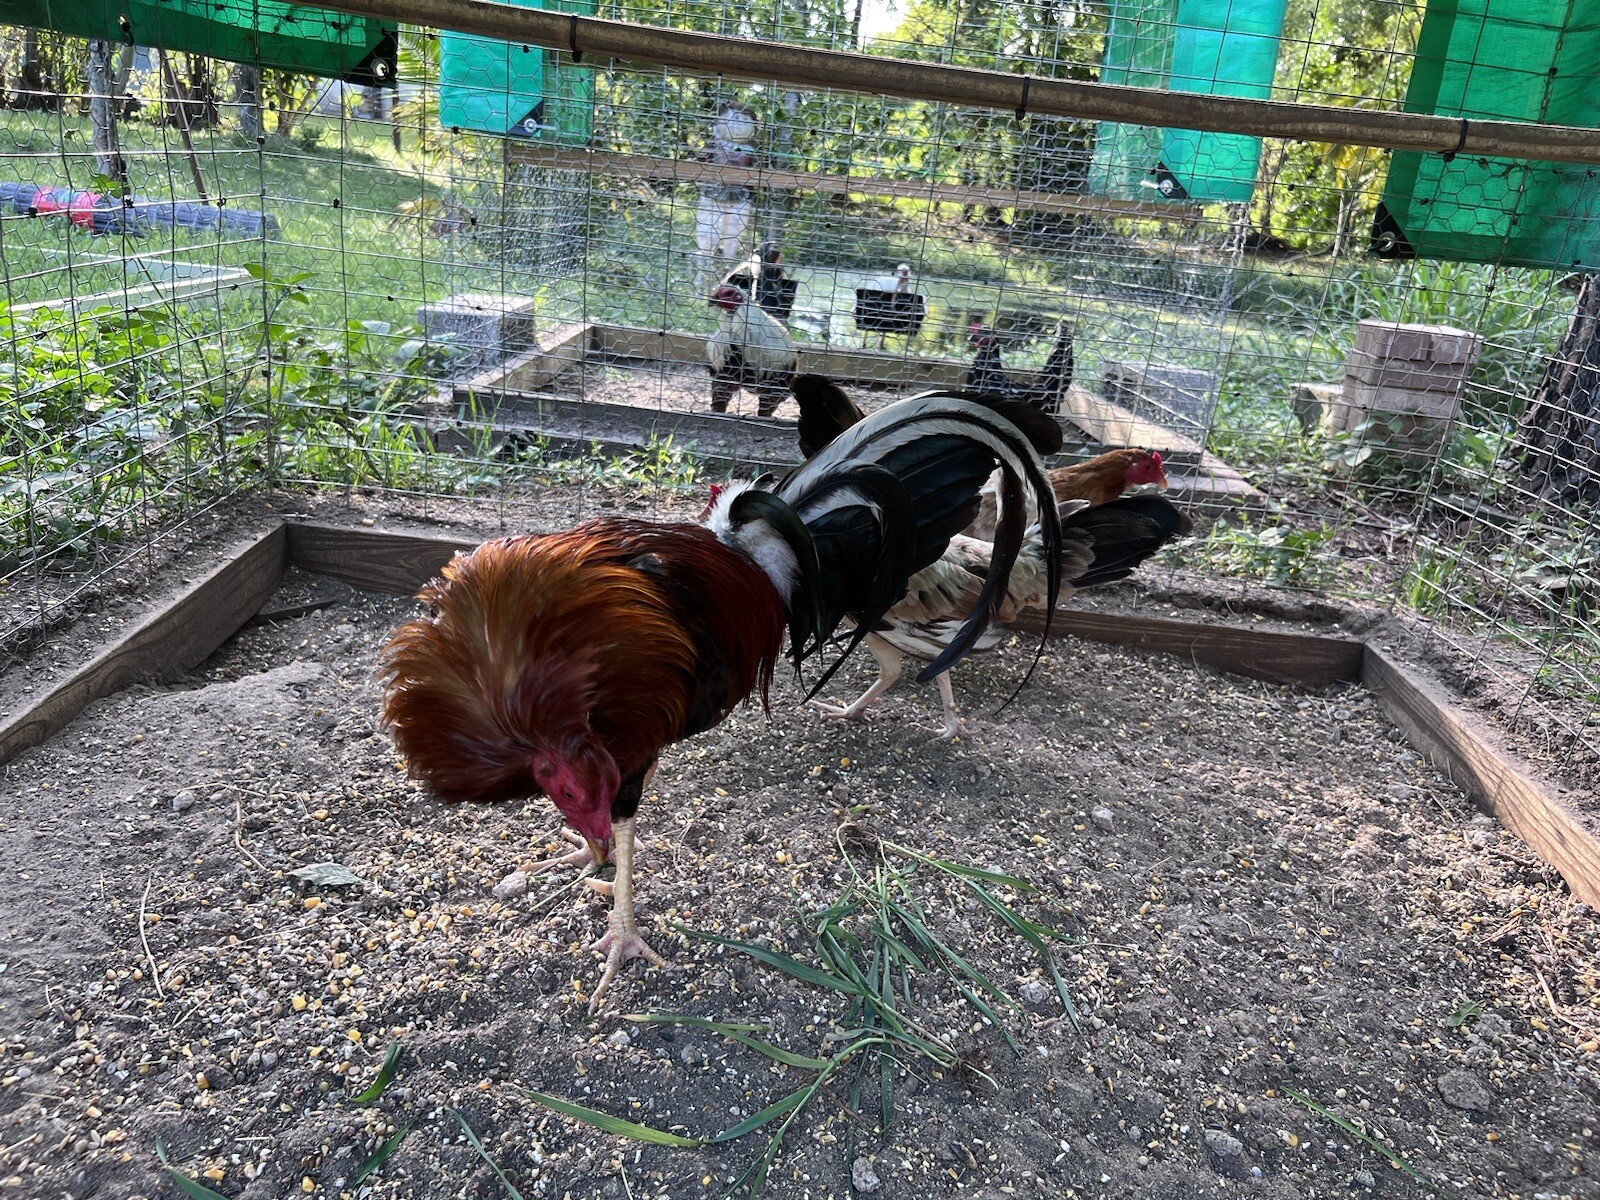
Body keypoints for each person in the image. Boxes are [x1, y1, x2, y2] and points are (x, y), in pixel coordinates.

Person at [693, 103, 757, 292]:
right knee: (707, 230)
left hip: (739, 196)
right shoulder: (715, 144)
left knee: (734, 232)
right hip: (713, 194)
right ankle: (704, 269)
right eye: (735, 119)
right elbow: (703, 160)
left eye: (745, 120)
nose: (740, 124)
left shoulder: (750, 149)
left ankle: (728, 271)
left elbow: (754, 170)